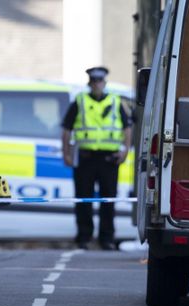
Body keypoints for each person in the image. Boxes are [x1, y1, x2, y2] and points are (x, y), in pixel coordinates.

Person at [61, 66, 132, 251]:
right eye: (93, 81)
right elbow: (67, 128)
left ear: (105, 82)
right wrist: (66, 153)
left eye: (100, 81)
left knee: (108, 200)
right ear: (89, 83)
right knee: (83, 199)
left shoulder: (116, 101)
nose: (97, 84)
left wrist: (124, 151)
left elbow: (127, 128)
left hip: (109, 159)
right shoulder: (80, 101)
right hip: (86, 158)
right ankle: (84, 238)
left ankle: (106, 239)